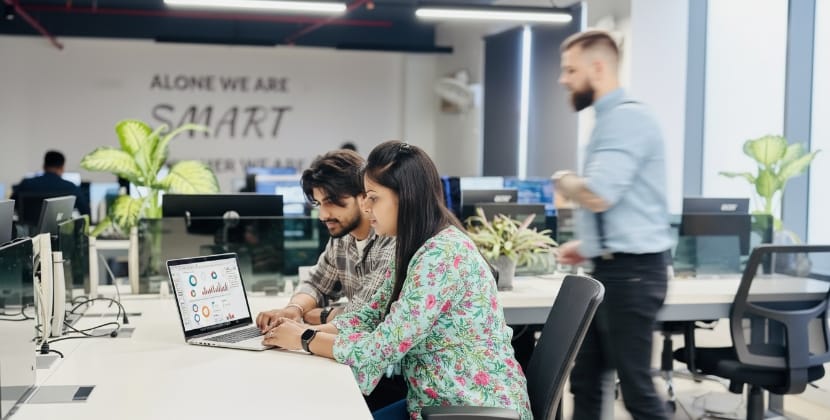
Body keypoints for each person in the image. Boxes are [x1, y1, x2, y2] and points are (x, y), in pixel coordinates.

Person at [263, 140, 531, 420]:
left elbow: (381, 349)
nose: (366, 207)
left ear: (406, 196)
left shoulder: (441, 255)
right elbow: (367, 317)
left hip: (468, 407)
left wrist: (304, 338)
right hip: (431, 402)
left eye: (373, 197)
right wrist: (299, 328)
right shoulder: (413, 246)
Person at [553, 30, 673, 420]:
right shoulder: (610, 119)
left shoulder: (627, 118)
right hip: (614, 269)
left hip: (633, 273)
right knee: (586, 381)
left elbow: (599, 193)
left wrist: (563, 180)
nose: (563, 79)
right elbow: (619, 203)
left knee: (636, 391)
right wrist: (588, 246)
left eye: (571, 70)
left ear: (598, 67)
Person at [253, 149, 402, 410]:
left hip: (386, 373)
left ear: (363, 197)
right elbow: (317, 283)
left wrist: (304, 329)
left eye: (332, 202)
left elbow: (364, 317)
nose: (323, 215)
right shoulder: (342, 239)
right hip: (349, 356)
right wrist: (293, 310)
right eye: (319, 203)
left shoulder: (392, 240)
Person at [11, 150, 90, 216]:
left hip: (28, 229)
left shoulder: (26, 184)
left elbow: (11, 207)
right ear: (62, 168)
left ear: (44, 166)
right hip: (58, 229)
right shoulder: (71, 187)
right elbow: (86, 212)